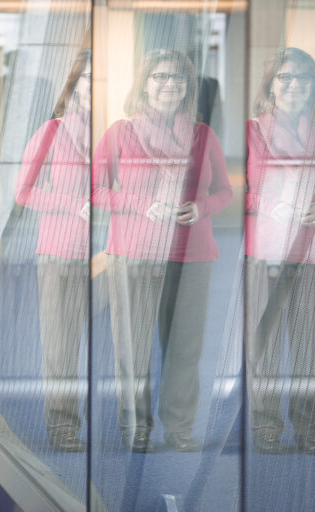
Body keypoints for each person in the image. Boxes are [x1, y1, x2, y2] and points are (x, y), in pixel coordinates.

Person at [92, 49, 232, 452]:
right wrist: (138, 204)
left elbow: (225, 190)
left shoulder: (203, 135)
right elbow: (95, 188)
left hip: (193, 253)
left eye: (179, 78)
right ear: (144, 83)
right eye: (160, 76)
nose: (170, 84)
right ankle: (135, 425)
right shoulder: (120, 133)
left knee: (185, 347)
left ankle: (179, 428)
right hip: (135, 252)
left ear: (189, 88)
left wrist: (201, 206)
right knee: (133, 347)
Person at [245, 48, 315, 455]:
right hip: (269, 252)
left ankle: (309, 428)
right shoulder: (253, 131)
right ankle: (267, 427)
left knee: (313, 348)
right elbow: (245, 190)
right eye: (285, 77)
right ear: (270, 84)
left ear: (314, 88)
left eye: (303, 79)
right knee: (265, 348)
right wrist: (274, 207)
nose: (293, 86)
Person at [14, 49, 91, 452]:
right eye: (89, 79)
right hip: (61, 252)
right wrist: (70, 203)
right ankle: (64, 426)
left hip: (113, 253)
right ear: (75, 85)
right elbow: (24, 192)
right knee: (62, 345)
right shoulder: (52, 131)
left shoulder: (119, 134)